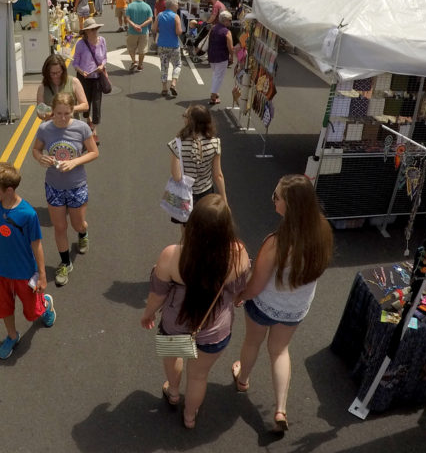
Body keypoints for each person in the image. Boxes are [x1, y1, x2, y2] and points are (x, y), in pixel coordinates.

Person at [231, 175, 334, 434]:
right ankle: (280, 409)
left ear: (289, 206)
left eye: (276, 197)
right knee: (279, 351)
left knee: (252, 342)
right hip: (296, 307)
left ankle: (242, 379)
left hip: (264, 304)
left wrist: (241, 295)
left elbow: (256, 284)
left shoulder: (276, 242)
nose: (273, 199)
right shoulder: (323, 230)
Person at [140, 195, 250, 429]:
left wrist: (148, 314)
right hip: (214, 330)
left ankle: (173, 392)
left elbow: (158, 294)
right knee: (199, 376)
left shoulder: (172, 255)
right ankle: (190, 417)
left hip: (174, 325)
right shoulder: (238, 254)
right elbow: (238, 290)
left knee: (172, 359)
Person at [0, 163, 56, 360]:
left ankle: (45, 305)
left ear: (9, 190)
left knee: (32, 312)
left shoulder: (28, 214)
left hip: (24, 272)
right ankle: (12, 336)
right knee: (3, 307)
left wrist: (42, 275)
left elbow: (37, 245)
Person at [32, 92, 99, 287]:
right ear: (53, 111)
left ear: (72, 111)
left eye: (67, 113)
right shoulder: (45, 128)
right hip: (54, 186)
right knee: (60, 227)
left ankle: (83, 233)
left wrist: (75, 161)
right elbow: (36, 149)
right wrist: (40, 158)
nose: (62, 118)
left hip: (76, 185)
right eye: (58, 113)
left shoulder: (82, 128)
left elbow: (94, 152)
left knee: (78, 224)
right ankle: (65, 263)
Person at [168, 105, 226, 221]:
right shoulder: (215, 143)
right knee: (204, 224)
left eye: (185, 116)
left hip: (184, 194)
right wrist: (224, 200)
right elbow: (218, 175)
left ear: (190, 122)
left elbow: (177, 176)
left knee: (185, 224)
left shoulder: (177, 144)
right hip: (206, 193)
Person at [72, 17, 109, 144]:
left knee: (97, 104)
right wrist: (82, 72)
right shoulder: (80, 44)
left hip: (97, 77)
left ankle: (94, 131)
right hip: (84, 78)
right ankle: (88, 121)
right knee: (85, 103)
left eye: (95, 29)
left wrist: (102, 66)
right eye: (91, 30)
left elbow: (104, 58)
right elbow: (75, 62)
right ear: (86, 32)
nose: (94, 31)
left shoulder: (102, 41)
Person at [36, 53, 88, 120]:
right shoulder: (42, 88)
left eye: (58, 72)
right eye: (52, 73)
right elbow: (40, 111)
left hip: (71, 126)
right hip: (53, 126)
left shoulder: (74, 82)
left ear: (63, 71)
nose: (55, 76)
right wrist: (46, 115)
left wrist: (68, 109)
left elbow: (85, 105)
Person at [152, 0, 183, 97]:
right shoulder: (175, 16)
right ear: (173, 5)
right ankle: (173, 83)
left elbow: (154, 29)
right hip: (173, 45)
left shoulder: (160, 15)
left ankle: (164, 88)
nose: (178, 6)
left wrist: (162, 30)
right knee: (177, 64)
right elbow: (178, 32)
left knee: (164, 67)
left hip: (162, 45)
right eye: (177, 4)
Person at [207, 10, 235, 105]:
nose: (230, 22)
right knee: (218, 77)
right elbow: (230, 47)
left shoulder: (213, 28)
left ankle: (215, 92)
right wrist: (232, 56)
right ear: (225, 20)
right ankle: (213, 97)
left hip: (211, 55)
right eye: (230, 20)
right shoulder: (227, 32)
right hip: (222, 56)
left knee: (215, 74)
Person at [124, 0, 154, 72]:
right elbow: (150, 19)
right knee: (142, 49)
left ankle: (134, 61)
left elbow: (127, 19)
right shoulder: (147, 6)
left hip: (132, 31)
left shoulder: (130, 6)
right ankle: (140, 65)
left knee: (131, 47)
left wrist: (134, 25)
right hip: (143, 31)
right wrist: (140, 26)